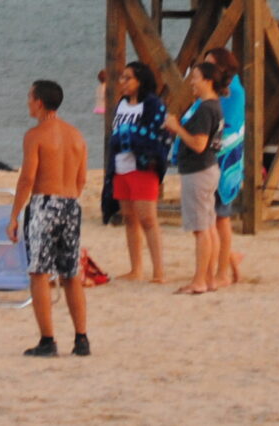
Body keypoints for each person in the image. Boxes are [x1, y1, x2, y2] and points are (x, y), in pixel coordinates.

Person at [12, 78, 90, 355]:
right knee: (70, 273)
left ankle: (48, 340)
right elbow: (81, 179)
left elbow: (27, 179)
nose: (28, 102)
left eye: (30, 98)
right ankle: (81, 339)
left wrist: (14, 215)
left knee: (39, 273)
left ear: (40, 102)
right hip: (70, 204)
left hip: (44, 204)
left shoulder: (35, 136)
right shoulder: (77, 136)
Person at [162, 60, 222, 294]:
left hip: (199, 170)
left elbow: (199, 144)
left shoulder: (207, 108)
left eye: (195, 77)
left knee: (201, 228)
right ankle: (207, 278)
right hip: (205, 169)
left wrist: (176, 128)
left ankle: (199, 280)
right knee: (207, 225)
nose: (192, 82)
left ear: (207, 80)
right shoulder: (211, 106)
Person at [107, 60, 169, 283]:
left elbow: (158, 136)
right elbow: (116, 133)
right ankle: (136, 269)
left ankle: (159, 271)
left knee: (148, 219)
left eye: (127, 78)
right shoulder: (122, 104)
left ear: (140, 81)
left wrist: (131, 136)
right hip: (121, 166)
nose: (122, 82)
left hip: (143, 167)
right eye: (121, 78)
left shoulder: (152, 104)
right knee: (129, 217)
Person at [206, 46, 246, 287]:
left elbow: (228, 126)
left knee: (221, 217)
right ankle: (226, 258)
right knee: (210, 217)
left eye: (210, 65)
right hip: (210, 155)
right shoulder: (214, 90)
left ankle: (222, 272)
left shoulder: (234, 91)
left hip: (226, 159)